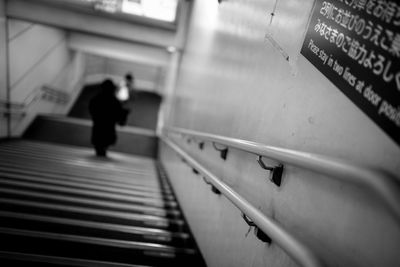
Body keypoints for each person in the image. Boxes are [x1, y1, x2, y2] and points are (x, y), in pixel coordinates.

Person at [89, 79, 129, 157]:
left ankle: (100, 150)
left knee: (99, 142)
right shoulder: (114, 101)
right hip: (109, 128)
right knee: (105, 141)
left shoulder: (96, 99)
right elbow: (119, 115)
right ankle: (102, 150)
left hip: (98, 126)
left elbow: (91, 109)